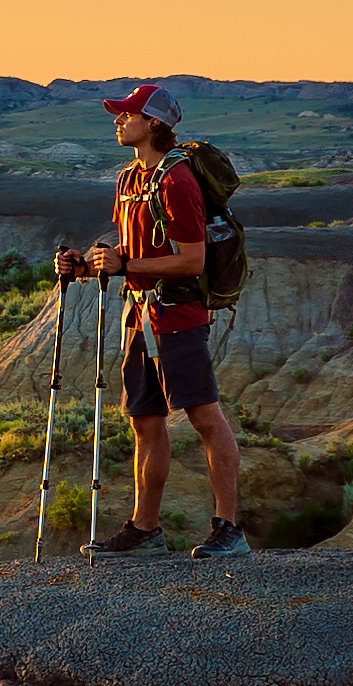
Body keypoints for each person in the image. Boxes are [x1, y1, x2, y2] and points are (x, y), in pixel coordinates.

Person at [56, 81, 245, 557]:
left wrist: (127, 267)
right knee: (145, 420)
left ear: (155, 123)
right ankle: (145, 530)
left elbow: (192, 260)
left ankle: (228, 528)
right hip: (140, 314)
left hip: (178, 313)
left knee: (203, 416)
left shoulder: (176, 181)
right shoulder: (129, 179)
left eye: (128, 114)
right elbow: (132, 250)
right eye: (120, 115)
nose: (118, 121)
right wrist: (87, 266)